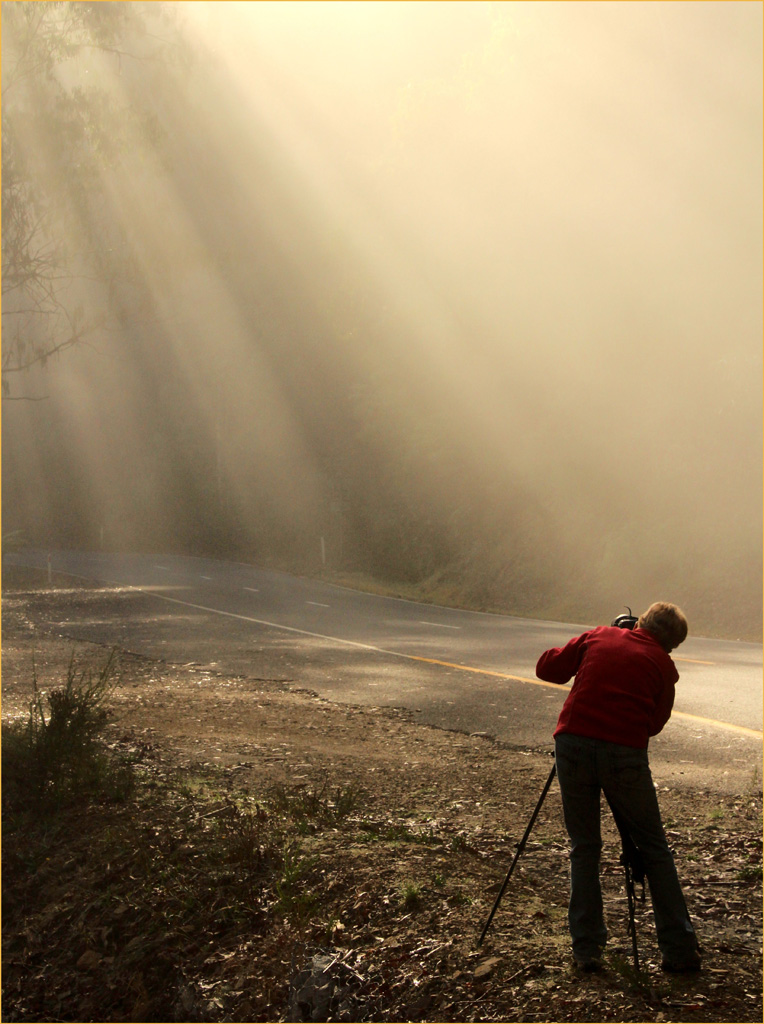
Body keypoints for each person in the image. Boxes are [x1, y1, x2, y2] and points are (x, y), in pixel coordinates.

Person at [536, 602, 701, 974]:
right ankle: (679, 951)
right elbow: (655, 723)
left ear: (640, 622)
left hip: (573, 745)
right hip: (625, 755)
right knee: (655, 849)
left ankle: (587, 949)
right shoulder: (664, 665)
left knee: (585, 847)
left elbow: (547, 668)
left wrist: (588, 646)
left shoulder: (600, 635)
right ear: (672, 644)